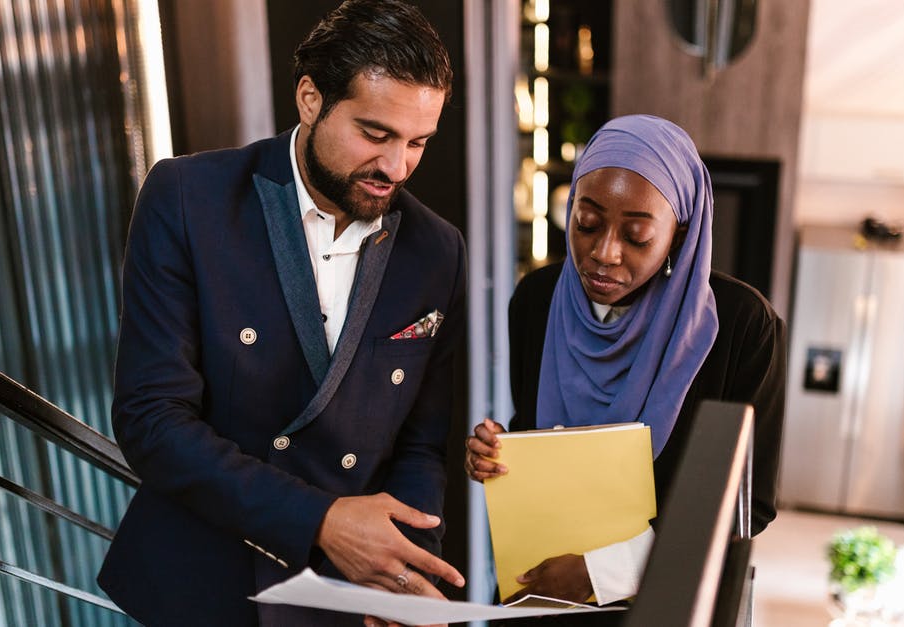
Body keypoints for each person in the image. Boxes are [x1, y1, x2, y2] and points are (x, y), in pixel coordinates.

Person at [98, 2, 467, 624]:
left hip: (342, 597)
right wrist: (321, 522)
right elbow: (152, 420)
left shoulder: (438, 250)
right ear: (309, 98)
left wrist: (399, 575)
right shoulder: (188, 198)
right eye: (375, 134)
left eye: (418, 143)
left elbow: (421, 447)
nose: (396, 167)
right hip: (206, 581)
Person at [465, 114, 786, 619]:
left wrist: (599, 571)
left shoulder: (742, 328)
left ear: (679, 237)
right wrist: (499, 456)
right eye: (586, 223)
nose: (603, 253)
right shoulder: (537, 300)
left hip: (662, 604)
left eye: (636, 236)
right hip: (541, 594)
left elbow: (748, 509)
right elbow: (542, 433)